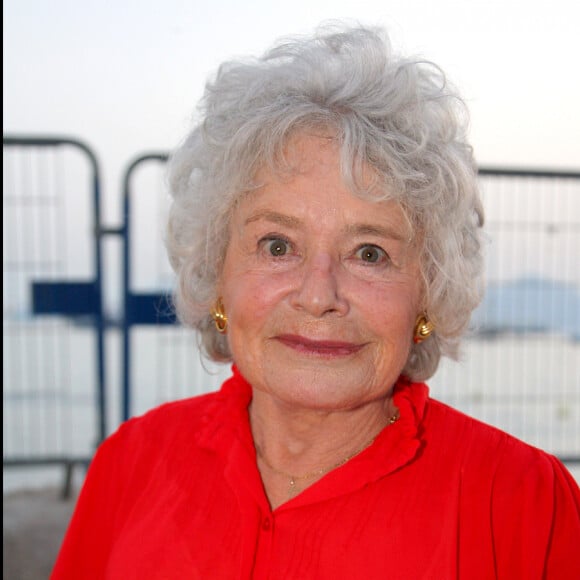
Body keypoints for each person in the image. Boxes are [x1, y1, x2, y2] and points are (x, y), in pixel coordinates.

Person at [52, 22, 579, 579]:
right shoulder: (131, 462)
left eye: (369, 253)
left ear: (428, 294)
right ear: (217, 274)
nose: (318, 295)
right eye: (277, 246)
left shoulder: (524, 505)